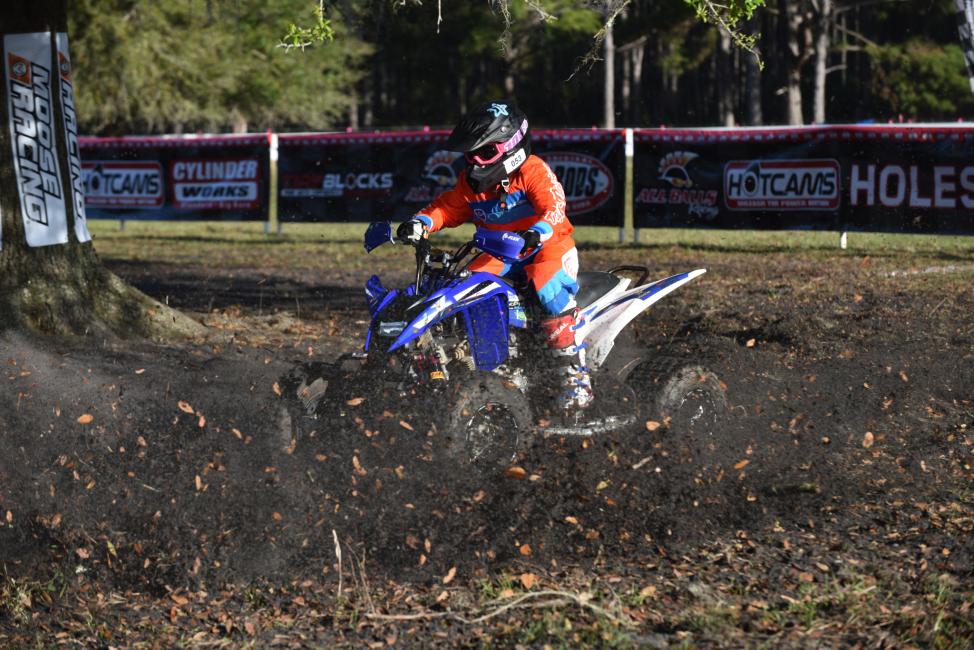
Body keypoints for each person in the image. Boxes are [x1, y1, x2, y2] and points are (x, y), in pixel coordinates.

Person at [397, 101, 592, 411]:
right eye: (470, 155)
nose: (475, 162)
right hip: (500, 251)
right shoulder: (471, 183)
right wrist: (421, 223)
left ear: (512, 146)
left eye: (485, 154)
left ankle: (575, 378)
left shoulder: (532, 170)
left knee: (547, 288)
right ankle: (474, 359)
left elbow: (554, 207)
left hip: (548, 247)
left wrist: (538, 231)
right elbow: (448, 208)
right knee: (462, 286)